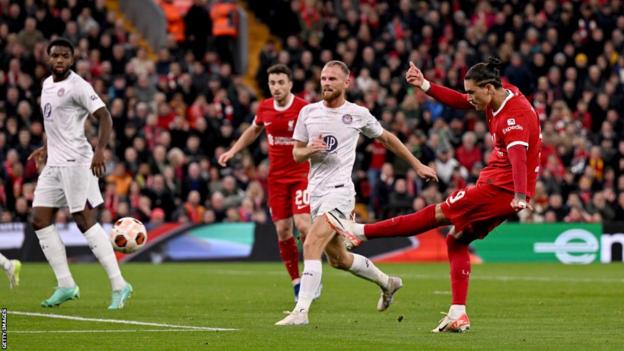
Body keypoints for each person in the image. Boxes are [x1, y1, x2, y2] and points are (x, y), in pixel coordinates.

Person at [328, 57, 542, 333]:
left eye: (473, 93)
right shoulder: (500, 94)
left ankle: (360, 231)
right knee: (456, 240)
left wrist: (521, 195)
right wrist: (425, 85)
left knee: (438, 213)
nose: (470, 99)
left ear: (488, 88)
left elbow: (518, 156)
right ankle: (458, 313)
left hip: (500, 189)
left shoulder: (514, 117)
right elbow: (459, 101)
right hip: (503, 189)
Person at [275, 60, 438, 325]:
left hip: (340, 193)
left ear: (346, 83)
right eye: (323, 78)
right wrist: (310, 150)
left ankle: (300, 312)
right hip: (316, 193)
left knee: (311, 242)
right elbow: (296, 153)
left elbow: (387, 139)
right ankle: (388, 283)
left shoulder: (357, 114)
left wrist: (417, 164)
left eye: (332, 79)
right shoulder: (308, 112)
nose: (326, 83)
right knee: (338, 260)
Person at [28, 38, 133, 309]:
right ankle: (65, 284)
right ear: (48, 58)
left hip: (76, 160)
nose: (60, 60)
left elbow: (105, 116)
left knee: (83, 220)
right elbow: (54, 123)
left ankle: (120, 285)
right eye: (56, 56)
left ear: (72, 60)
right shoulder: (46, 85)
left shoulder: (78, 86)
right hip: (54, 162)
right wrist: (45, 146)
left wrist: (99, 151)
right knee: (39, 219)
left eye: (65, 56)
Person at [219, 64, 313, 302]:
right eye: (272, 83)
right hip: (277, 180)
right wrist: (232, 151)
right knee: (283, 231)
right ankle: (297, 283)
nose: (277, 87)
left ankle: (313, 278)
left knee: (303, 224)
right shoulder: (265, 108)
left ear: (290, 83)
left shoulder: (304, 108)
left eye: (281, 82)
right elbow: (253, 130)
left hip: (301, 176)